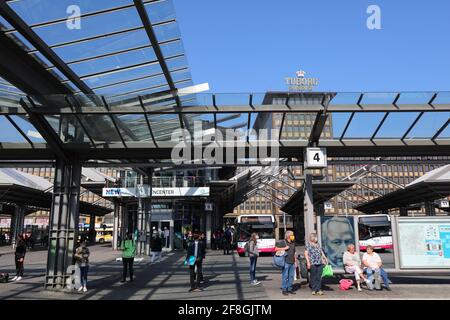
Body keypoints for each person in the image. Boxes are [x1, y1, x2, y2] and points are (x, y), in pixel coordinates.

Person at [275, 230, 296, 296]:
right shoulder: (283, 242)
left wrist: (295, 262)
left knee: (291, 276)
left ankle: (289, 288)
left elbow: (294, 253)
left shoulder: (293, 242)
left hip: (292, 262)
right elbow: (275, 249)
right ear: (288, 236)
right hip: (286, 262)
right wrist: (285, 248)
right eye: (292, 235)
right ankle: (284, 289)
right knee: (285, 276)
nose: (293, 236)